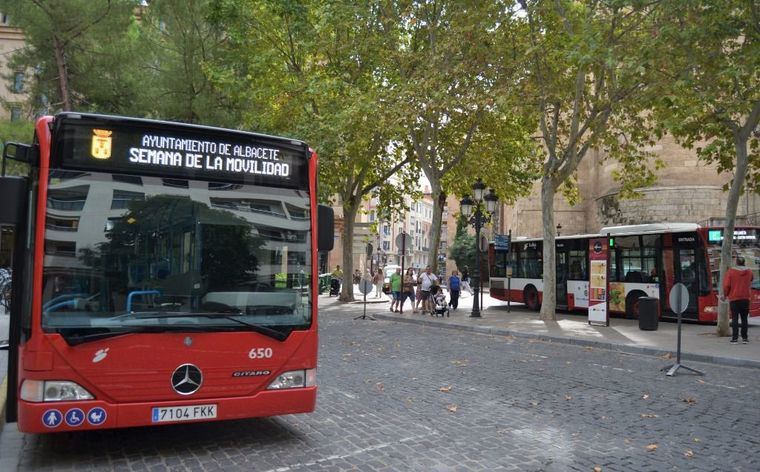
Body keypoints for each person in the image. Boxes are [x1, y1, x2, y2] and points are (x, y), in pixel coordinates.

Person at [721, 256, 753, 344]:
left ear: (736, 263)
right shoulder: (749, 272)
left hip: (734, 298)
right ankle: (745, 338)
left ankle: (734, 338)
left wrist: (725, 295)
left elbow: (726, 285)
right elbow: (751, 280)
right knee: (744, 319)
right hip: (745, 298)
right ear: (744, 262)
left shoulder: (731, 272)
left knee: (735, 318)